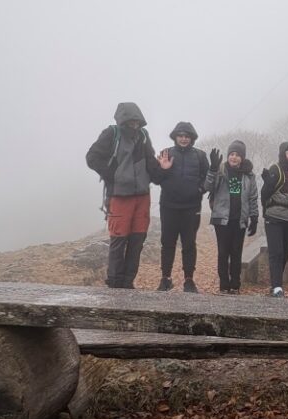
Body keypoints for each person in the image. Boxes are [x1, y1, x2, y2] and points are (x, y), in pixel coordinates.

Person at [86, 102, 162, 289]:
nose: (134, 125)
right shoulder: (112, 134)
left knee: (137, 241)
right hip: (119, 196)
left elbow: (150, 162)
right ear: (123, 121)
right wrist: (113, 175)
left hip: (142, 196)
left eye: (137, 122)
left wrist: (163, 172)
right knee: (119, 241)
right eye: (131, 122)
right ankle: (114, 284)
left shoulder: (143, 136)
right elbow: (92, 157)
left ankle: (128, 283)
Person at [155, 122, 211, 293]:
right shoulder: (166, 153)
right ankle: (166, 278)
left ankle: (189, 280)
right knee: (167, 243)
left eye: (187, 136)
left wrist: (200, 190)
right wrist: (163, 169)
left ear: (192, 138)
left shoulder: (200, 156)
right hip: (168, 206)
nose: (184, 139)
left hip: (191, 207)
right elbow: (156, 179)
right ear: (175, 137)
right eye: (180, 135)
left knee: (189, 244)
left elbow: (208, 177)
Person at [208, 140, 259, 294]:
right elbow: (208, 186)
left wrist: (254, 217)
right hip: (222, 219)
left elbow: (252, 197)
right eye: (231, 154)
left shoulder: (248, 175)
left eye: (237, 155)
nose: (234, 157)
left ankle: (235, 284)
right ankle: (224, 285)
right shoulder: (221, 171)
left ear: (242, 157)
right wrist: (212, 169)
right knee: (223, 252)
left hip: (239, 220)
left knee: (236, 253)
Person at [260, 142, 288, 297]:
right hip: (274, 216)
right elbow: (264, 194)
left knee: (285, 252)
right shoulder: (276, 169)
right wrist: (266, 210)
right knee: (276, 252)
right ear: (283, 154)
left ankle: (276, 283)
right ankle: (277, 286)